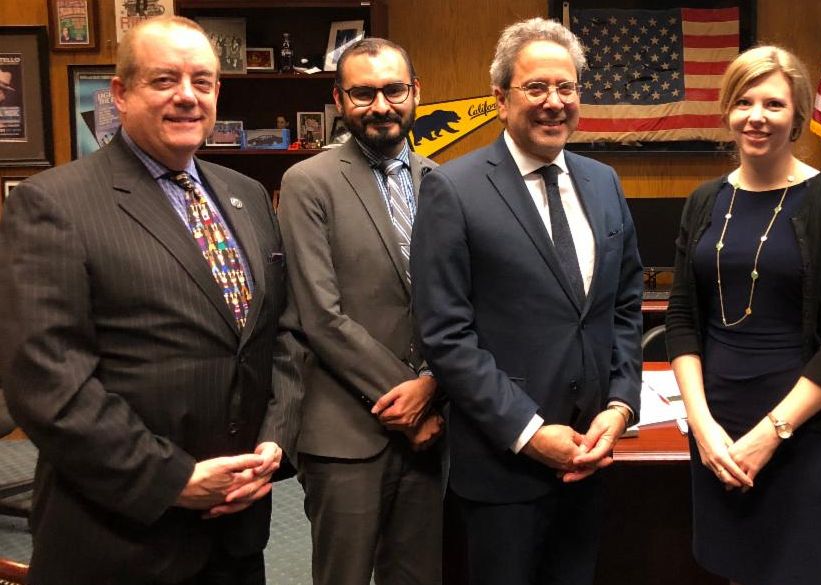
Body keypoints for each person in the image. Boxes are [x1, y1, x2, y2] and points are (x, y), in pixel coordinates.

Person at [0, 16, 301, 585]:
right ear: (120, 93)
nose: (187, 96)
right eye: (165, 80)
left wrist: (274, 440)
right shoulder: (54, 204)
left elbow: (280, 334)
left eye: (202, 81)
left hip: (237, 529)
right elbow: (47, 383)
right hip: (121, 536)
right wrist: (174, 481)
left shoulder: (247, 195)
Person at [410, 17, 643, 585]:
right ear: (500, 99)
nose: (553, 102)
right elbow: (446, 335)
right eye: (536, 87)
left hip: (590, 456)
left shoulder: (604, 182)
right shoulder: (453, 188)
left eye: (566, 87)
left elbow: (624, 305)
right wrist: (530, 433)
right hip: (503, 466)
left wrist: (620, 405)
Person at [664, 45, 821, 585]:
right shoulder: (704, 201)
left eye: (774, 104)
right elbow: (683, 319)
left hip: (809, 435)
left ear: (797, 115)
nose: (756, 116)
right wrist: (702, 428)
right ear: (727, 111)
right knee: (735, 571)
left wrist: (771, 433)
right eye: (744, 102)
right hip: (720, 435)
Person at [277, 38, 443, 585]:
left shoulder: (439, 179)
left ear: (416, 92)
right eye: (363, 93)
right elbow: (320, 316)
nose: (381, 106)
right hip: (346, 433)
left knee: (419, 576)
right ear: (339, 99)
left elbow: (456, 303)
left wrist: (432, 386)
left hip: (433, 428)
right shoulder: (308, 182)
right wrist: (410, 400)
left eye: (394, 90)